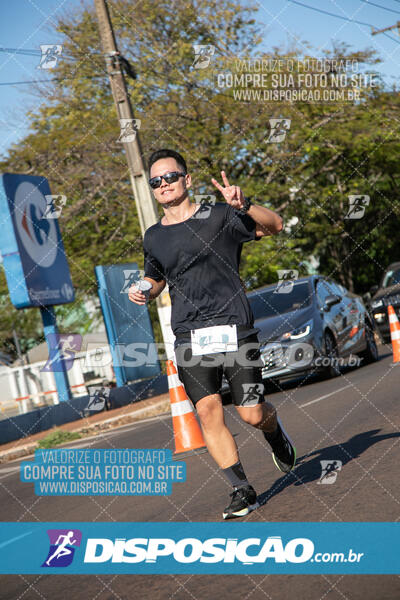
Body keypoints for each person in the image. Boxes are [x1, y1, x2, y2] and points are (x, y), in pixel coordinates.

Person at [129, 148, 296, 519]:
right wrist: (144, 288)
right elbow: (156, 277)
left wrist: (245, 204)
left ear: (187, 180)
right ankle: (242, 490)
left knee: (251, 413)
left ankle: (274, 431)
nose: (163, 185)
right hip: (189, 336)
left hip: (235, 329)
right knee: (207, 410)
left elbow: (276, 225)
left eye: (170, 177)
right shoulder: (153, 236)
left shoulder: (221, 216)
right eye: (156, 182)